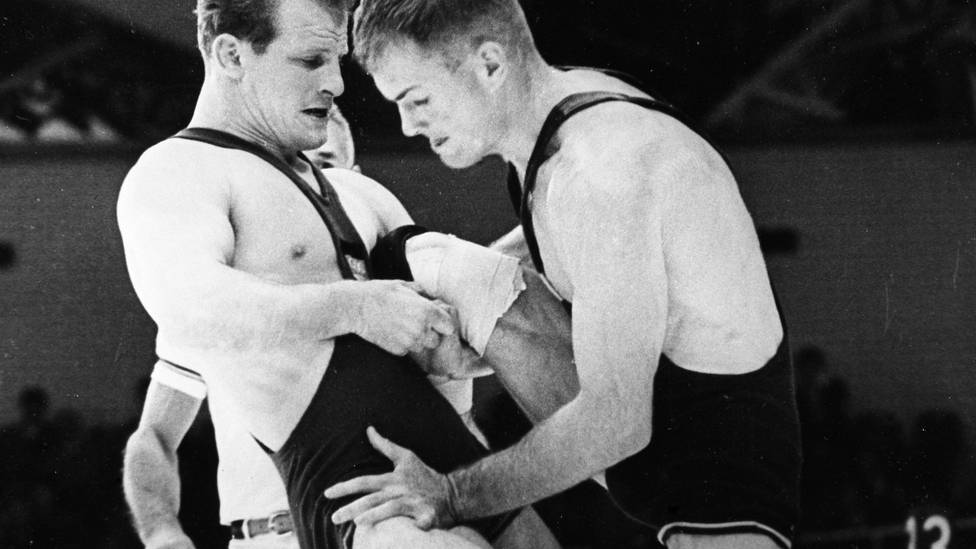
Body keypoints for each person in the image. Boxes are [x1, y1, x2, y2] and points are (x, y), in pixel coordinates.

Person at [324, 1, 802, 548]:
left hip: (716, 503)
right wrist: (448, 329)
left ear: (490, 65)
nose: (408, 126)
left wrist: (451, 495)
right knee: (437, 267)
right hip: (671, 453)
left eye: (418, 100)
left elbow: (616, 423)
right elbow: (574, 249)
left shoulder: (603, 171)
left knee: (431, 261)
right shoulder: (560, 115)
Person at [115, 0, 561, 548]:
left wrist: (452, 349)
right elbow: (189, 311)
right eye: (311, 60)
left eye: (336, 61)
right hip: (313, 512)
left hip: (446, 472)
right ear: (231, 55)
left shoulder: (360, 194)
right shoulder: (180, 172)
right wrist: (163, 533)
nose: (336, 84)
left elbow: (457, 310)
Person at [120, 103, 487, 549]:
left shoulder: (401, 296)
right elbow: (155, 436)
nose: (302, 184)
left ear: (352, 180)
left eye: (324, 166)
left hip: (383, 525)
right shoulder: (229, 307)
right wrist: (162, 533)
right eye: (290, 166)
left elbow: (457, 428)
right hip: (265, 536)